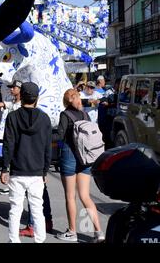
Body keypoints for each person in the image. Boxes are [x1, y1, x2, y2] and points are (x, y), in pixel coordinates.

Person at [0, 82, 52, 243]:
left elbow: (8, 144)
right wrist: (45, 170)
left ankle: (13, 240)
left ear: (21, 96)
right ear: (37, 98)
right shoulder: (44, 118)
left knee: (15, 209)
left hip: (17, 170)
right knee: (37, 209)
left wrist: (4, 168)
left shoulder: (13, 117)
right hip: (36, 171)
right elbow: (47, 147)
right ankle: (40, 240)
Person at [53, 89, 104, 243]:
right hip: (85, 157)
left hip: (69, 156)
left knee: (70, 196)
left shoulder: (65, 115)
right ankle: (98, 232)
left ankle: (72, 232)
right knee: (85, 196)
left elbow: (59, 136)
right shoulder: (85, 115)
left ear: (66, 101)